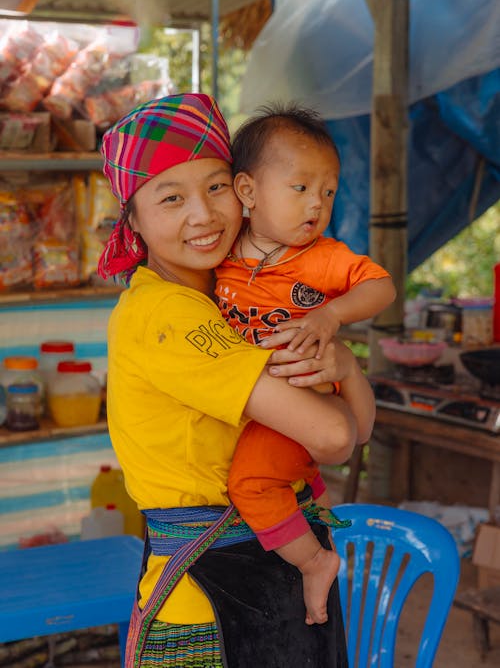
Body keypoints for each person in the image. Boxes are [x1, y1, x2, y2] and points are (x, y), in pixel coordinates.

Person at [97, 93, 375, 668]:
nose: (203, 215)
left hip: (275, 574)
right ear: (134, 219)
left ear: (245, 189)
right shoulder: (167, 315)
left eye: (216, 187)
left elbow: (350, 432)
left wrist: (343, 364)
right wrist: (342, 375)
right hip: (206, 607)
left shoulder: (232, 296)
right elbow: (334, 437)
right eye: (171, 198)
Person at [216, 103, 396, 626]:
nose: (317, 204)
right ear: (247, 192)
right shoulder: (225, 253)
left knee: (249, 482)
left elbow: (381, 285)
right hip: (261, 405)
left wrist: (330, 314)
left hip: (303, 403)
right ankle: (309, 496)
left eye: (329, 191)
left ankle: (316, 562)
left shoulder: (320, 257)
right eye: (300, 188)